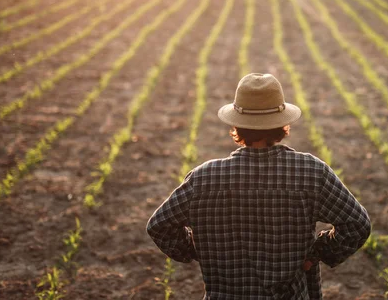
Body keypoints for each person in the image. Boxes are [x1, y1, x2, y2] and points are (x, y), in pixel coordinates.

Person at [147, 73, 371, 299]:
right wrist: (318, 252)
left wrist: (197, 249)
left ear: (237, 124)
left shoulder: (203, 178)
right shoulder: (312, 173)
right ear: (283, 124)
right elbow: (357, 225)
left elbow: (159, 226)